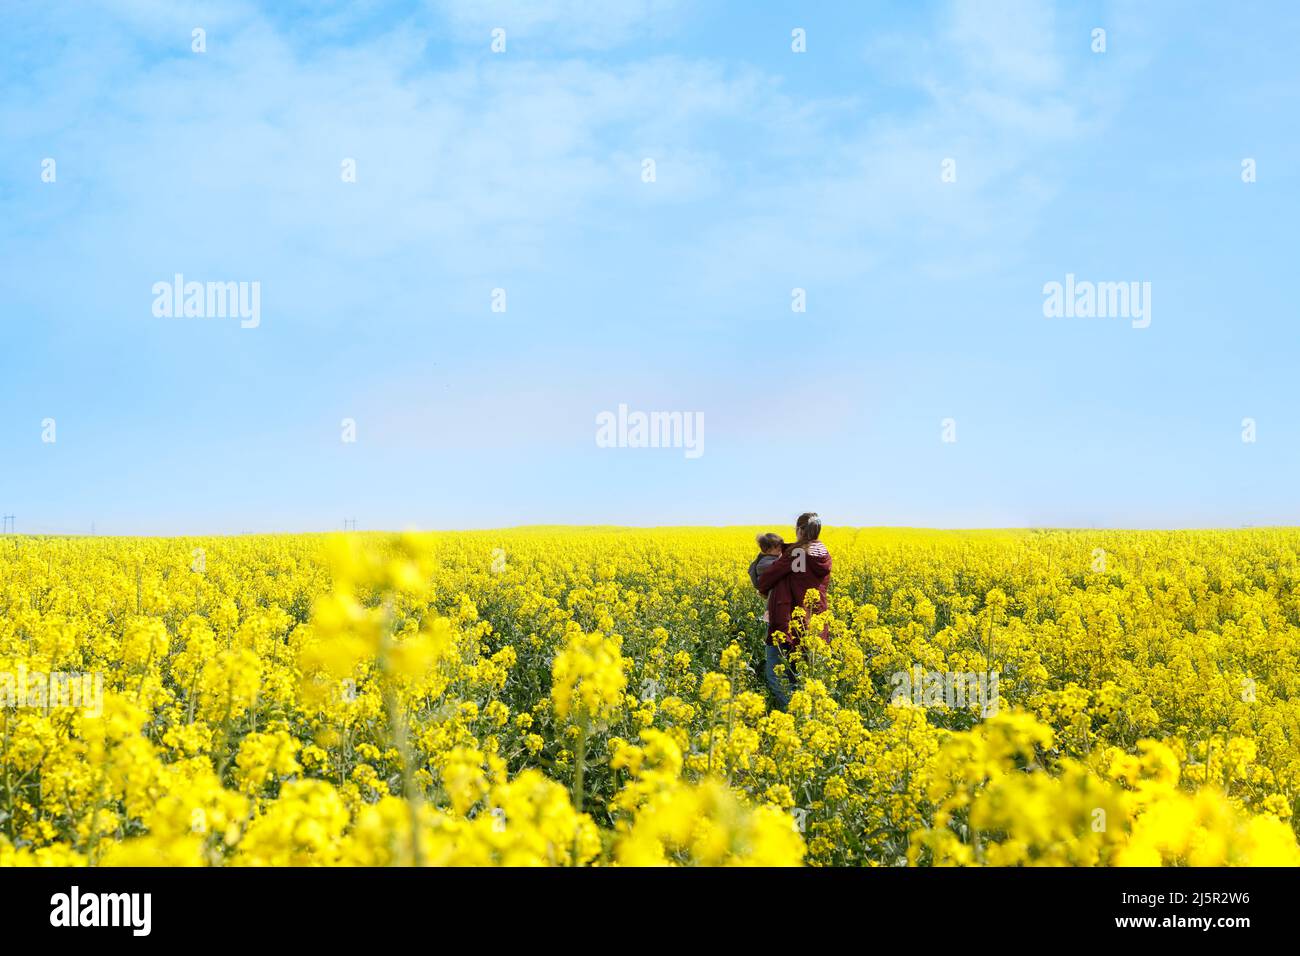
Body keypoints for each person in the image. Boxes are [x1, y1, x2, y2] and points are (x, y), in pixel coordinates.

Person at [757, 512, 833, 709]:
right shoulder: (824, 554)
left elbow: (766, 578)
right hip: (814, 624)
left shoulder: (797, 553)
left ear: (800, 530)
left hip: (788, 621)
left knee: (777, 674)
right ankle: (810, 719)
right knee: (806, 676)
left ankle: (797, 716)